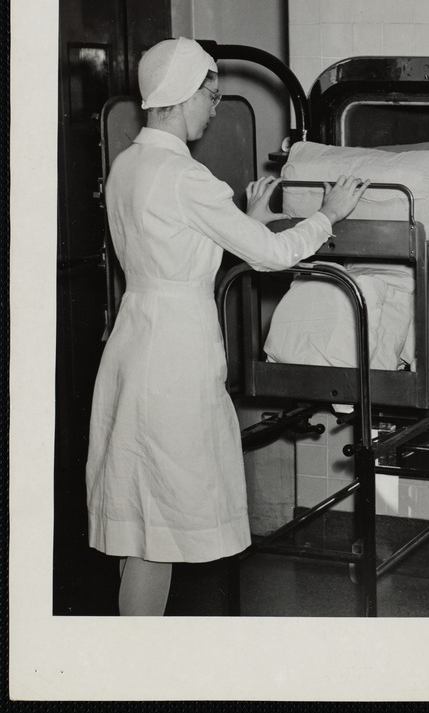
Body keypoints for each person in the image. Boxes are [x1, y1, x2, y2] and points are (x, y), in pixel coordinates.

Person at [85, 37, 368, 615]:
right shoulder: (188, 178)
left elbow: (182, 245)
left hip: (135, 341)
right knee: (159, 516)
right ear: (184, 96)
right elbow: (271, 256)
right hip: (176, 355)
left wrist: (247, 221)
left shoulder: (129, 166)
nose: (215, 108)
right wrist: (327, 215)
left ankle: (132, 655)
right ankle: (137, 669)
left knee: (139, 514)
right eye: (211, 96)